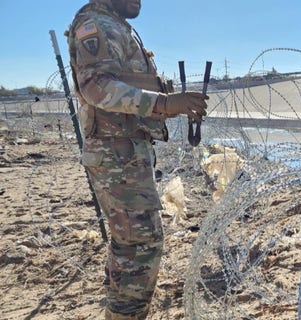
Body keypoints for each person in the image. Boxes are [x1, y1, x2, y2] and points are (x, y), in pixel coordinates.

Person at [66, 0, 208, 319]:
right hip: (115, 152)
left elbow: (125, 84)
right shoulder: (98, 25)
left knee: (131, 242)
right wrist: (165, 103)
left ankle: (121, 310)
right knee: (140, 244)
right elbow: (96, 87)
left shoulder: (115, 25)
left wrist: (164, 99)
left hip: (124, 151)